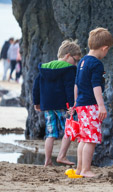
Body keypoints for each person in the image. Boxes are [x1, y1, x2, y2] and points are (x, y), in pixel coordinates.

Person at [32, 39, 82, 167]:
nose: (75, 64)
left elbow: (36, 86)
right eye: (75, 60)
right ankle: (61, 155)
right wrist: (73, 105)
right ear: (67, 56)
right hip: (62, 106)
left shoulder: (44, 68)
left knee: (50, 133)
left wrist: (36, 102)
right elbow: (69, 88)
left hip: (47, 106)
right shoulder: (69, 70)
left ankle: (47, 160)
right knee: (69, 129)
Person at [73, 27, 113, 178]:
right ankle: (86, 169)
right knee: (91, 139)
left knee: (83, 138)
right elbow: (96, 85)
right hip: (91, 105)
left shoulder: (82, 61)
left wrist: (75, 102)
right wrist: (101, 106)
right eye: (107, 50)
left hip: (81, 105)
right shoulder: (97, 64)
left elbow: (76, 84)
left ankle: (79, 168)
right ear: (104, 48)